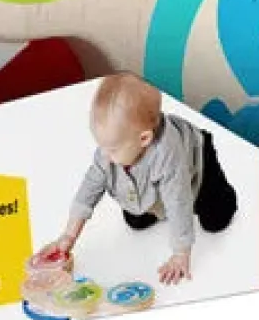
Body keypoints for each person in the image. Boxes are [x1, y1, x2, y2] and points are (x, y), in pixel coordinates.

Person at [45, 72, 238, 284]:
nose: (104, 155)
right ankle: (155, 203)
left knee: (215, 220)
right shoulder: (112, 150)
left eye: (112, 149)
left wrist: (180, 253)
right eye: (101, 146)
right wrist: (69, 236)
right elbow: (89, 188)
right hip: (148, 175)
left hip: (198, 161)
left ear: (144, 138)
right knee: (135, 220)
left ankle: (222, 197)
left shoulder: (167, 153)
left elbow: (178, 201)